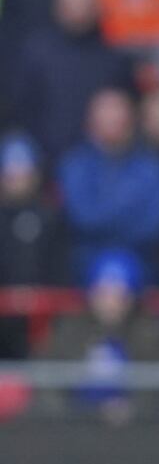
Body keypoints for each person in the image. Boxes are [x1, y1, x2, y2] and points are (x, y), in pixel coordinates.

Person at [10, 0, 135, 168]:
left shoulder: (113, 59)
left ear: (96, 3)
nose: (78, 3)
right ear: (58, 3)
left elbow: (125, 118)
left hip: (103, 170)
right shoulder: (36, 52)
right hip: (44, 166)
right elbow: (22, 110)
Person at [37, 248, 159, 426]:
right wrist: (67, 414)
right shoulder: (69, 328)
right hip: (73, 429)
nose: (110, 304)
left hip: (135, 432)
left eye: (119, 296)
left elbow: (157, 384)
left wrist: (134, 409)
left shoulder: (148, 332)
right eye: (103, 294)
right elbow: (47, 379)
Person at [59, 87, 159, 283]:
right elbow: (80, 217)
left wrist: (106, 213)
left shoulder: (153, 166)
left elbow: (157, 224)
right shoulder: (74, 164)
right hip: (84, 265)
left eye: (119, 118)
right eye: (106, 118)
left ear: (132, 121)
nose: (113, 124)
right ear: (91, 122)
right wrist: (127, 208)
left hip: (142, 263)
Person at [0, 132, 66, 358]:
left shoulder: (51, 217)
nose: (17, 179)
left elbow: (60, 270)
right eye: (11, 173)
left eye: (23, 172)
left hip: (42, 320)